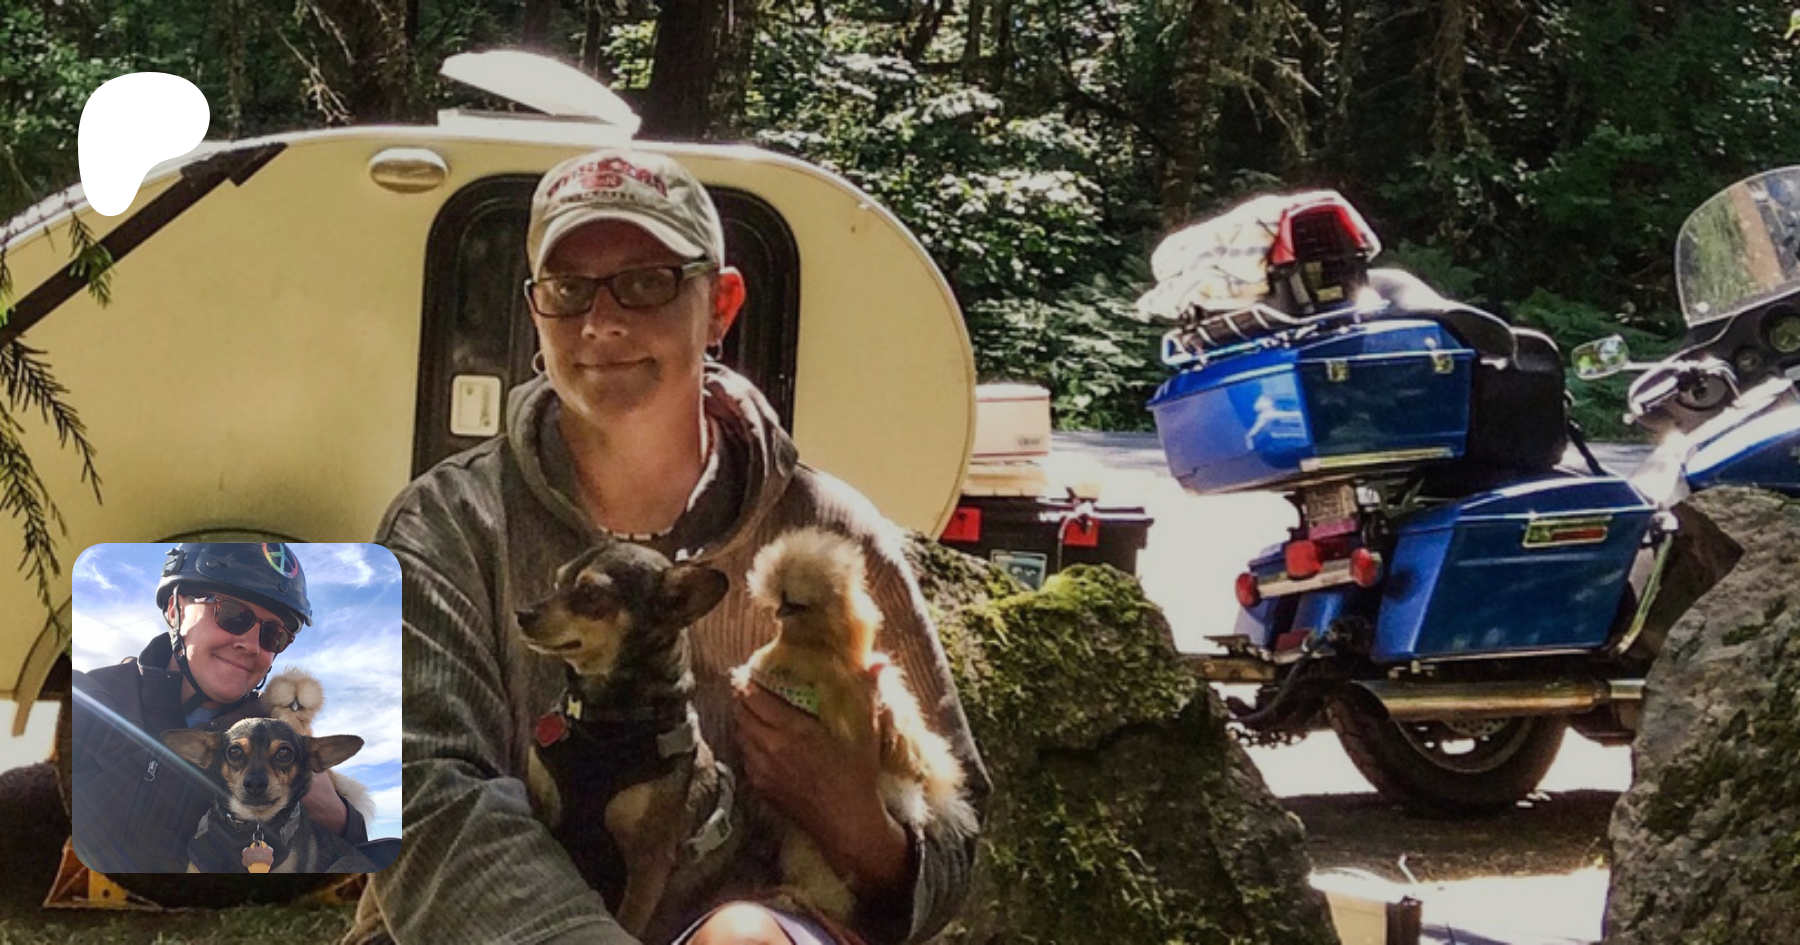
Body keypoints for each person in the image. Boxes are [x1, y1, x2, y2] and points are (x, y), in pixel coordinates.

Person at [349, 147, 988, 945]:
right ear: (535, 309)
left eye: (647, 282)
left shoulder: (824, 541)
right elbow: (422, 796)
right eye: (567, 289)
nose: (601, 322)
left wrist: (860, 826)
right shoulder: (443, 526)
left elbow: (960, 828)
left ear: (720, 304)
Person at [70, 541, 369, 873]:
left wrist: (338, 816)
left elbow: (356, 858)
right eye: (233, 614)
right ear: (175, 609)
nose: (252, 646)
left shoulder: (280, 736)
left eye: (273, 635)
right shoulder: (86, 700)